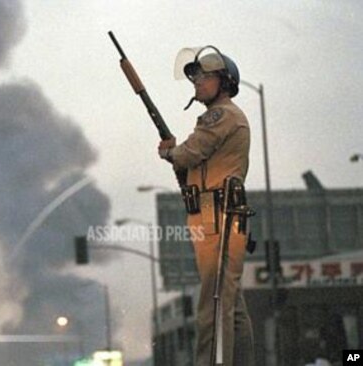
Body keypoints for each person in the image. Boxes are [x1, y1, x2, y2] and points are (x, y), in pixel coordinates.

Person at [157, 46, 255, 366]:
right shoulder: (223, 117)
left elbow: (188, 154)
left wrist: (171, 152)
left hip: (218, 216)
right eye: (195, 76)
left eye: (204, 76)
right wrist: (177, 158)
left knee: (213, 306)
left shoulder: (222, 114)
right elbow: (192, 170)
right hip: (216, 214)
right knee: (229, 304)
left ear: (224, 81)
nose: (197, 81)